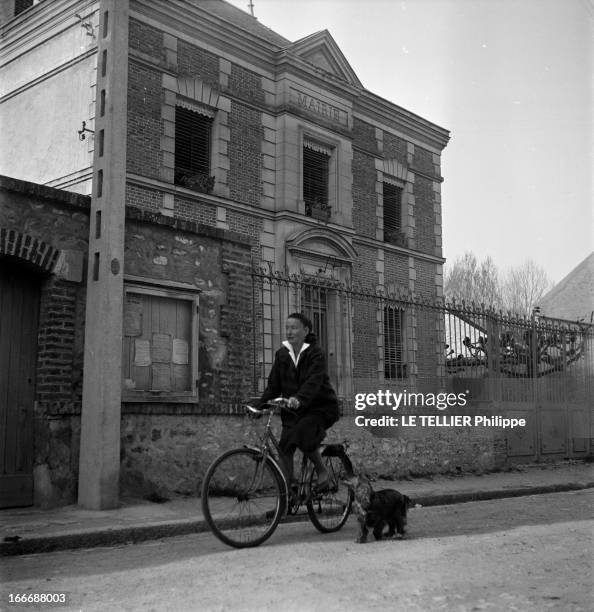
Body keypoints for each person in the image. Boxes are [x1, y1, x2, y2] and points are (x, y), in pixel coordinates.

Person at [257, 312, 340, 494]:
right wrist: (259, 406)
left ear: (306, 330)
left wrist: (299, 399)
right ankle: (286, 498)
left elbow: (313, 381)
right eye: (287, 328)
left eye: (294, 328)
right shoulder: (282, 355)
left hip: (320, 407)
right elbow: (273, 386)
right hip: (294, 411)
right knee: (285, 447)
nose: (289, 331)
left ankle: (322, 470)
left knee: (302, 433)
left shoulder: (315, 353)